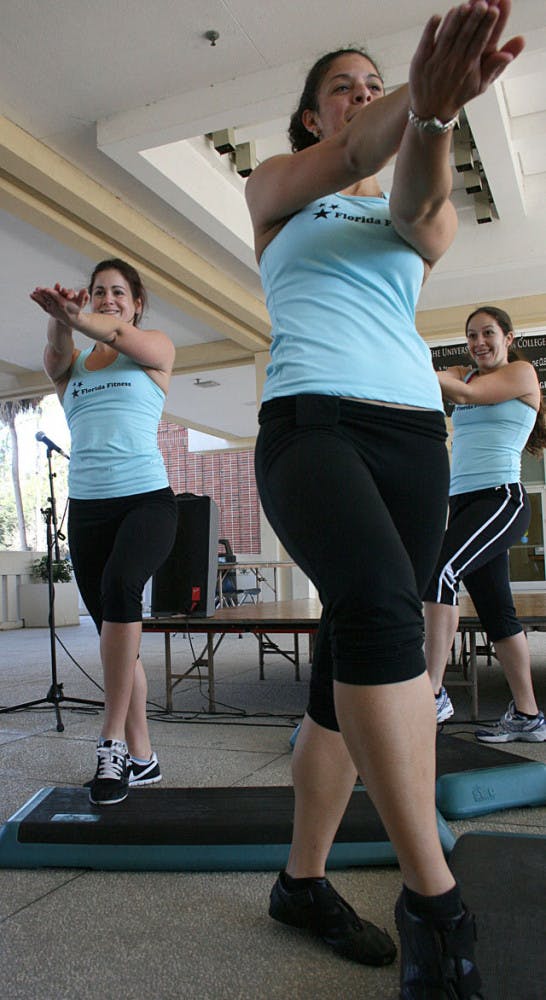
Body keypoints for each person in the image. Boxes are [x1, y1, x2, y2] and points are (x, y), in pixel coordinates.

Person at [245, 2, 524, 996]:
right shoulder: (277, 188)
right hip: (313, 421)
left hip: (414, 438)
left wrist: (437, 119)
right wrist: (420, 89)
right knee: (375, 611)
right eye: (344, 86)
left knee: (345, 671)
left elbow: (414, 206)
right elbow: (371, 136)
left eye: (375, 81)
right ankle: (434, 899)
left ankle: (301, 880)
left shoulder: (420, 192)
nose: (364, 96)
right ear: (314, 118)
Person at [31, 258, 178, 806]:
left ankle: (110, 742)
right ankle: (144, 757)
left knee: (121, 591)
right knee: (117, 639)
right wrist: (59, 317)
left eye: (118, 291)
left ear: (137, 303)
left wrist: (81, 315)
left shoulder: (154, 348)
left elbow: (116, 332)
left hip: (146, 502)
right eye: (98, 292)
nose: (108, 298)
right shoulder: (75, 367)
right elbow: (54, 356)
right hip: (87, 511)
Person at [424, 305, 546, 741]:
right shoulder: (463, 373)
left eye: (488, 333)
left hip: (501, 500)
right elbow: (446, 381)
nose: (479, 342)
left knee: (440, 571)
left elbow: (467, 395)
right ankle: (528, 717)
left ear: (508, 337)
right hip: (464, 504)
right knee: (498, 614)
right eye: (472, 335)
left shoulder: (522, 375)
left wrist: (421, 367)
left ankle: (432, 693)